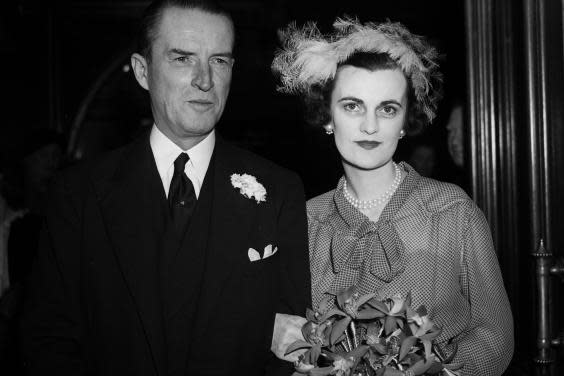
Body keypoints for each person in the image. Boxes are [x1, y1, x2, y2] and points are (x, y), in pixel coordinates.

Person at [21, 1, 311, 375]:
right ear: (143, 71)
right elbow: (48, 340)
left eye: (219, 61)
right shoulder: (79, 193)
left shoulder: (279, 189)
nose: (205, 80)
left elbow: (293, 348)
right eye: (182, 59)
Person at [272, 18, 513, 375]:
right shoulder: (304, 221)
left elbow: (496, 335)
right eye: (352, 106)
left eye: (387, 109)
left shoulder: (452, 211)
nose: (370, 126)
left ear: (404, 122)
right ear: (328, 116)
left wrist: (439, 371)